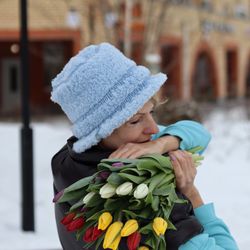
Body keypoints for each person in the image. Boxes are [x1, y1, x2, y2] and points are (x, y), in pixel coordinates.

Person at [51, 43, 238, 250]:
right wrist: (191, 193)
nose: (152, 127)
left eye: (151, 112)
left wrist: (161, 144)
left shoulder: (69, 161)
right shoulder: (148, 200)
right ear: (101, 131)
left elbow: (199, 134)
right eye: (135, 120)